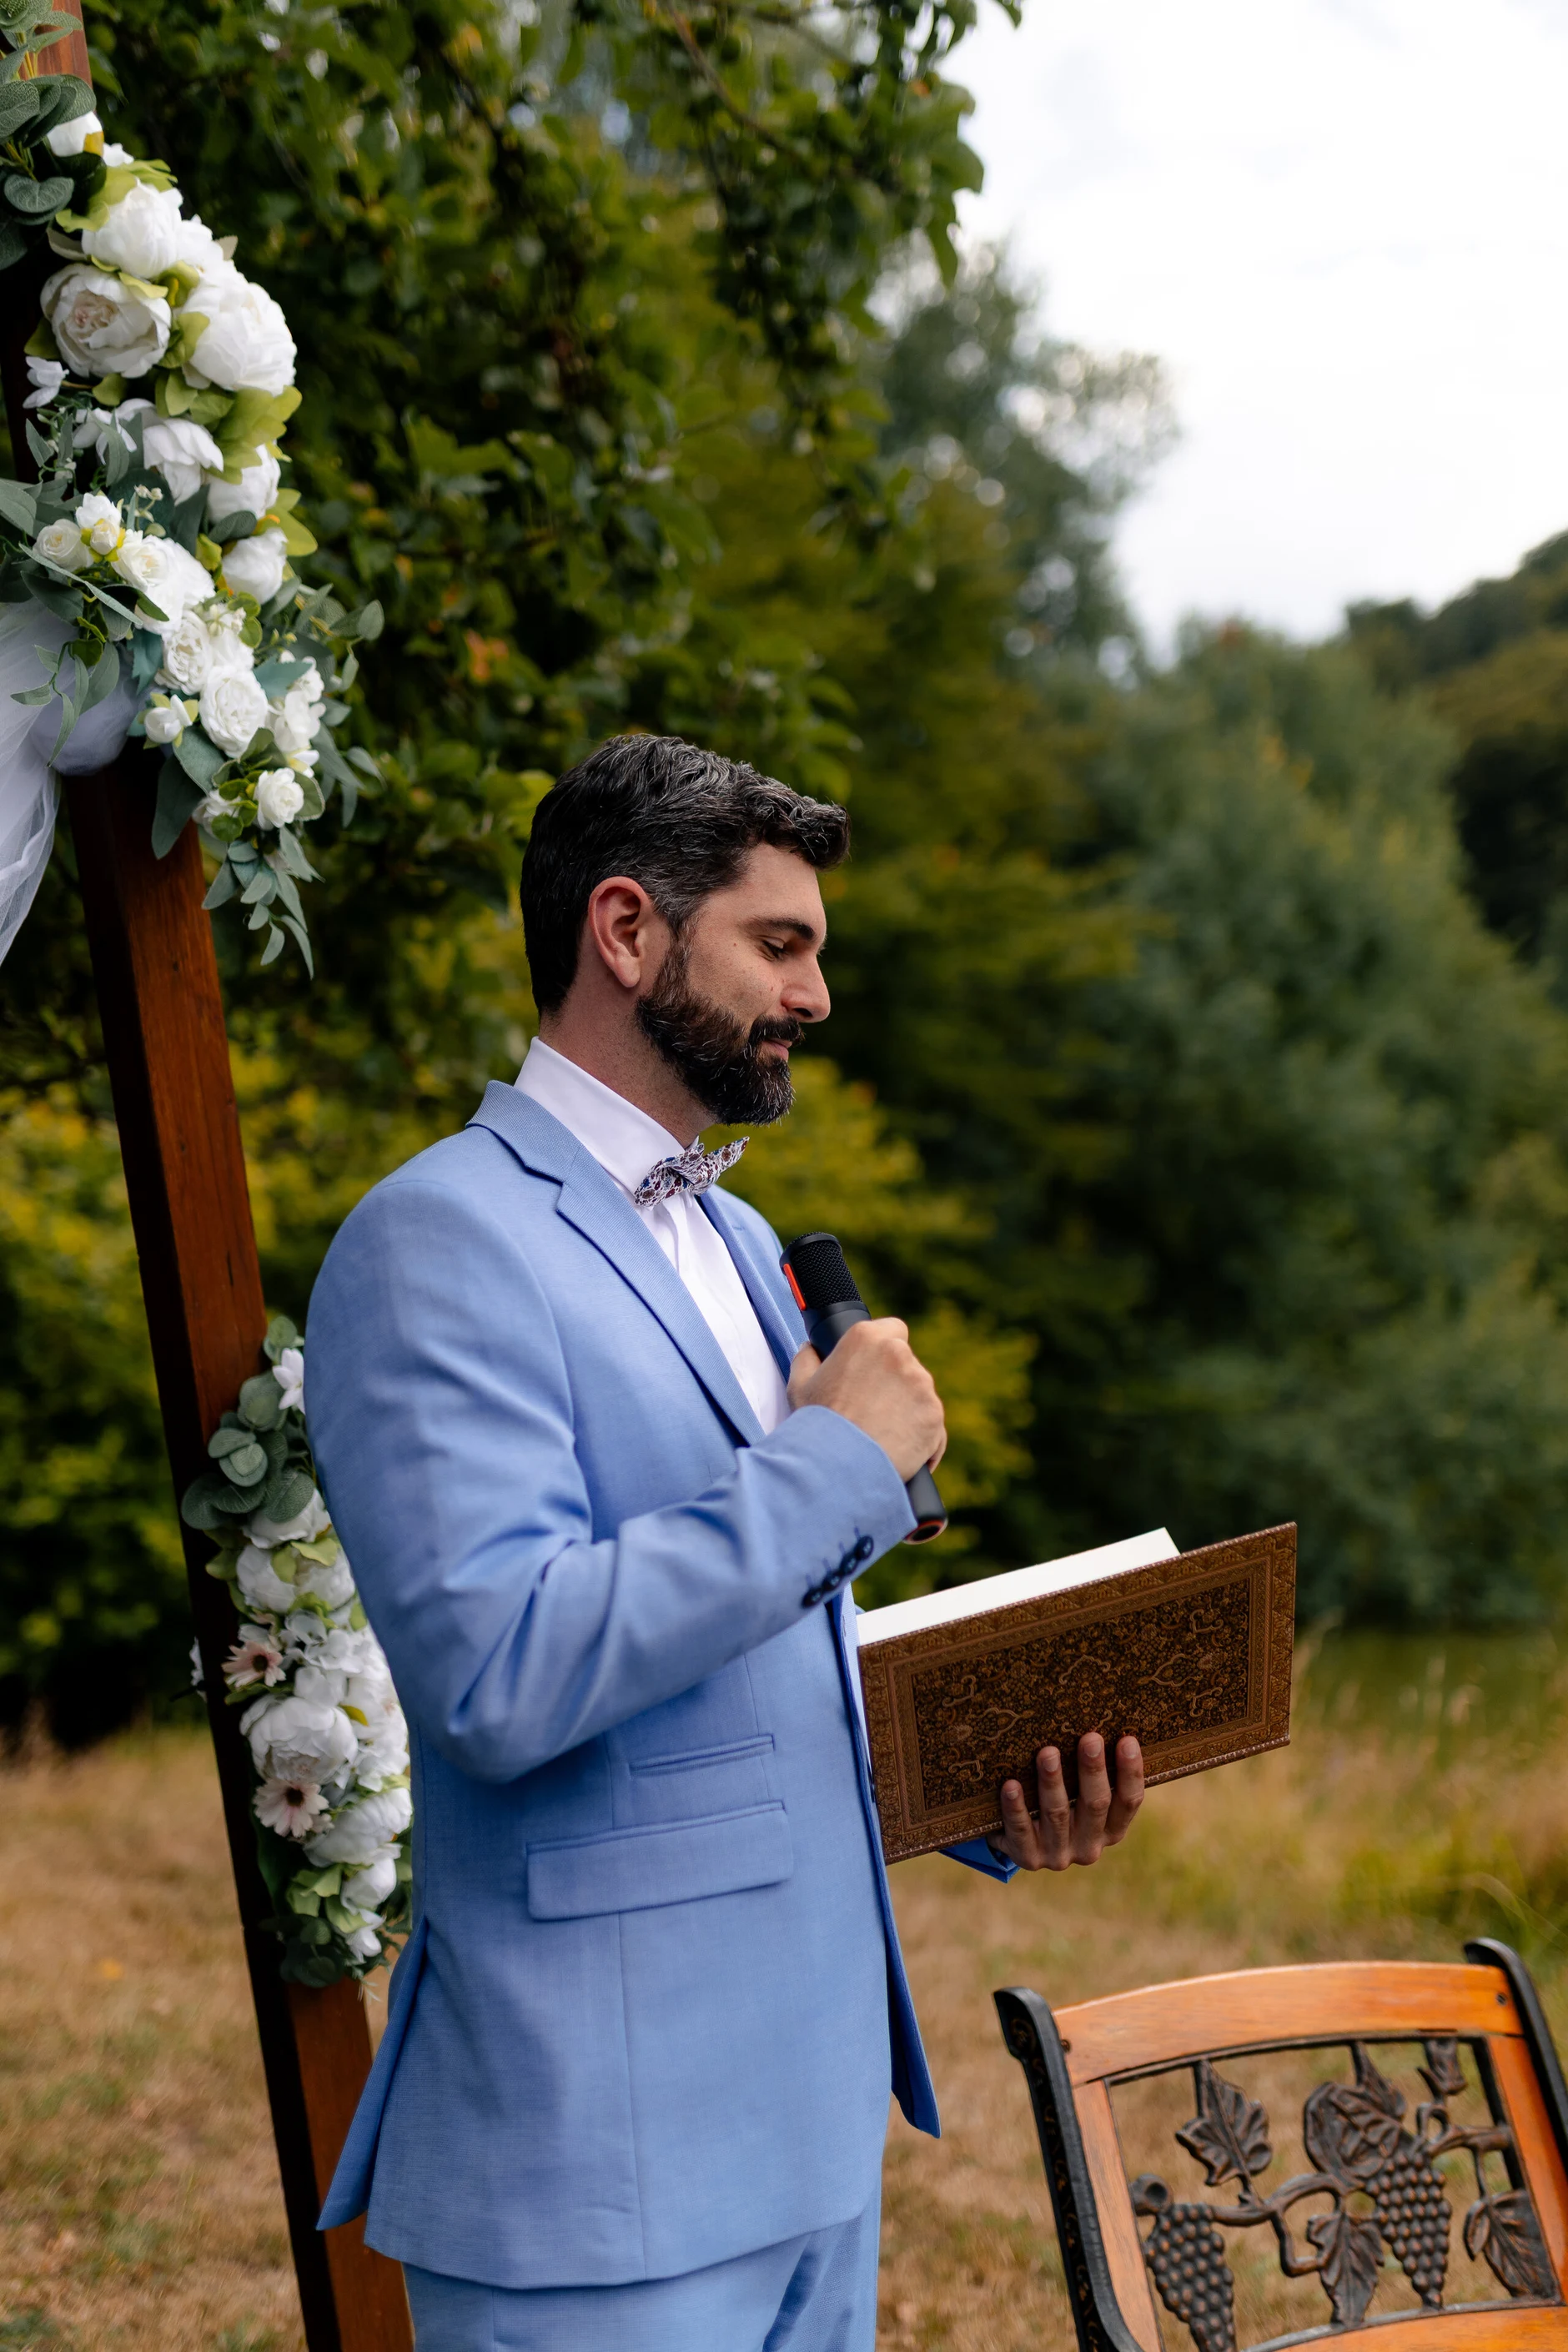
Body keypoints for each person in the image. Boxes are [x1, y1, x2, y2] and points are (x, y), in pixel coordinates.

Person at [306, 735, 1145, 2351]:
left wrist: (989, 1785)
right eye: (780, 944)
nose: (816, 994)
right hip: (596, 2163)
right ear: (624, 933)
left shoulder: (746, 1238)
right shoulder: (435, 1241)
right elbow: (499, 1668)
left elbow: (758, 1664)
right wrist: (836, 1464)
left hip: (813, 2132)